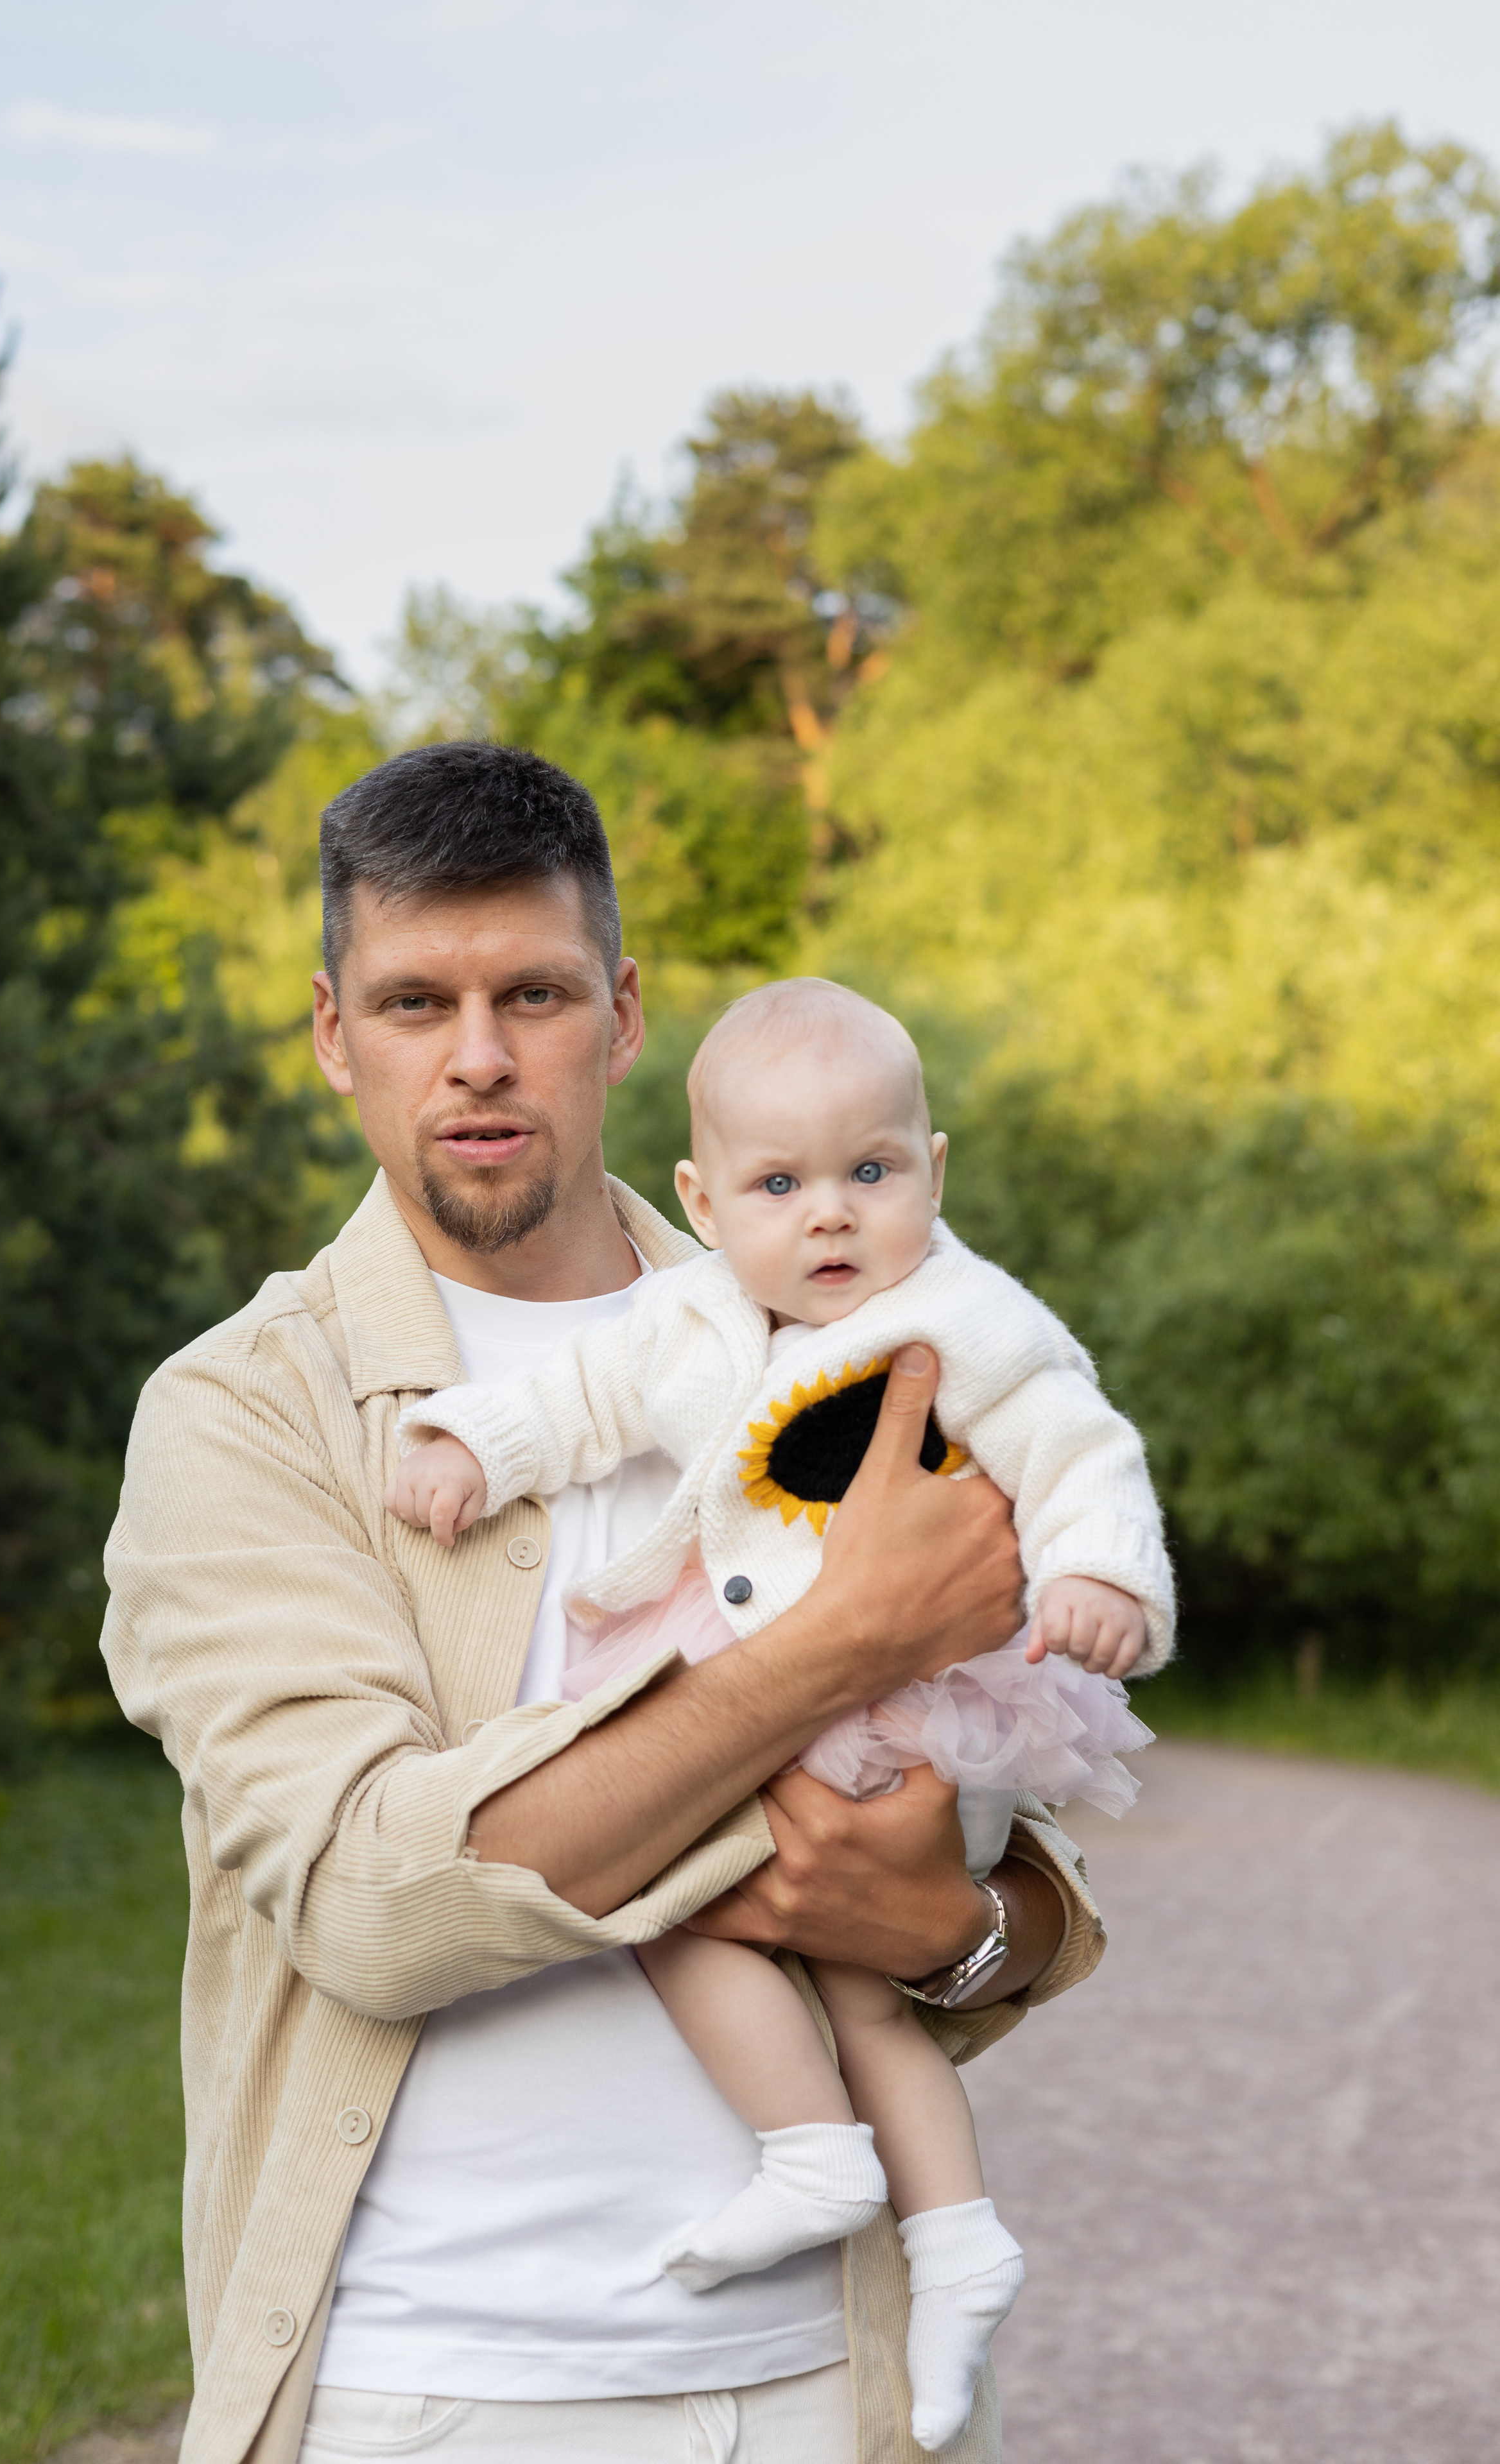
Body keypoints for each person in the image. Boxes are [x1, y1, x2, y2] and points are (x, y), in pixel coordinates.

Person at [101, 742, 1108, 2464]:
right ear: (335, 1033)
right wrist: (835, 1647)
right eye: (416, 1002)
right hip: (429, 2394)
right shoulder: (242, 1412)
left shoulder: (857, 1345)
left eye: (535, 993)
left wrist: (957, 1931)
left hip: (827, 2389)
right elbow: (369, 1907)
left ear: (624, 1013)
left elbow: (997, 1870)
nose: (480, 1057)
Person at [390, 976, 1168, 2451]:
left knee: (694, 1897)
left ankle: (815, 2153)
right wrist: (467, 1448)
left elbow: (1078, 1446)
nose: (827, 1217)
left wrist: (1102, 1577)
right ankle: (953, 2243)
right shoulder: (690, 1313)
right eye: (778, 1184)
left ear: (932, 1175)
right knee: (845, 1982)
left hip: (936, 1706)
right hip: (796, 1682)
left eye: (868, 1174)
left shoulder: (965, 1316)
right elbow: (578, 1398)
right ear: (701, 1196)